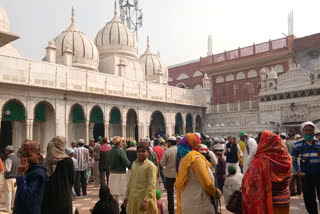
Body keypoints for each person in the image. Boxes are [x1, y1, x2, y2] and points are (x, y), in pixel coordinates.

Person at [242, 131, 292, 214]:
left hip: (269, 203)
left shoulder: (260, 162)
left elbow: (249, 184)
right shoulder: (288, 158)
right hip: (285, 200)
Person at [176, 133, 219, 214]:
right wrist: (215, 192)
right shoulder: (195, 159)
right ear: (194, 144)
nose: (199, 145)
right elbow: (206, 183)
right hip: (200, 203)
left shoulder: (181, 158)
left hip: (186, 202)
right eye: (197, 143)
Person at [291, 121, 320, 213]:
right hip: (306, 175)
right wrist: (297, 170)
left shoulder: (319, 143)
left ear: (314, 131)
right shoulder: (297, 144)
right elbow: (293, 158)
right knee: (309, 198)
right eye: (306, 130)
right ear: (302, 131)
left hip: (319, 174)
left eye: (311, 130)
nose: (308, 132)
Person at [42, 136, 75, 214]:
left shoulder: (47, 160)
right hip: (64, 196)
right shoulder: (68, 161)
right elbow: (72, 179)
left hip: (49, 195)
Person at [125, 141, 158, 214]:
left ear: (148, 153)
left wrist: (146, 200)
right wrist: (127, 197)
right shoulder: (134, 164)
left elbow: (152, 185)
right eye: (139, 151)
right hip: (133, 200)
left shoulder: (151, 166)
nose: (141, 153)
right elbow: (131, 182)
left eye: (143, 151)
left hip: (144, 201)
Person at [14, 140, 47, 214]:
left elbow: (26, 196)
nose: (25, 159)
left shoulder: (38, 173)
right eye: (23, 155)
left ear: (38, 155)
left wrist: (21, 175)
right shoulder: (28, 169)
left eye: (29, 156)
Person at [108, 136, 131, 203]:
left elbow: (107, 163)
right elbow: (127, 162)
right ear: (119, 143)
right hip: (121, 174)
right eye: (121, 142)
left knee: (114, 195)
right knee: (124, 193)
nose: (123, 143)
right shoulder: (121, 151)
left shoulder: (110, 151)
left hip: (112, 174)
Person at [160, 136, 177, 214]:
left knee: (170, 194)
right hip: (178, 174)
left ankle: (171, 211)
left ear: (169, 143)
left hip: (169, 175)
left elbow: (162, 163)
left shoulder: (167, 151)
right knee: (180, 192)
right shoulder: (180, 150)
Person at [3, 145, 19, 212]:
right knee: (14, 193)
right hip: (15, 178)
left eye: (6, 151)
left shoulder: (9, 159)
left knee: (8, 193)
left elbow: (7, 170)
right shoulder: (17, 158)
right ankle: (13, 206)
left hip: (9, 178)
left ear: (8, 151)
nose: (5, 152)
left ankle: (8, 208)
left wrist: (4, 166)